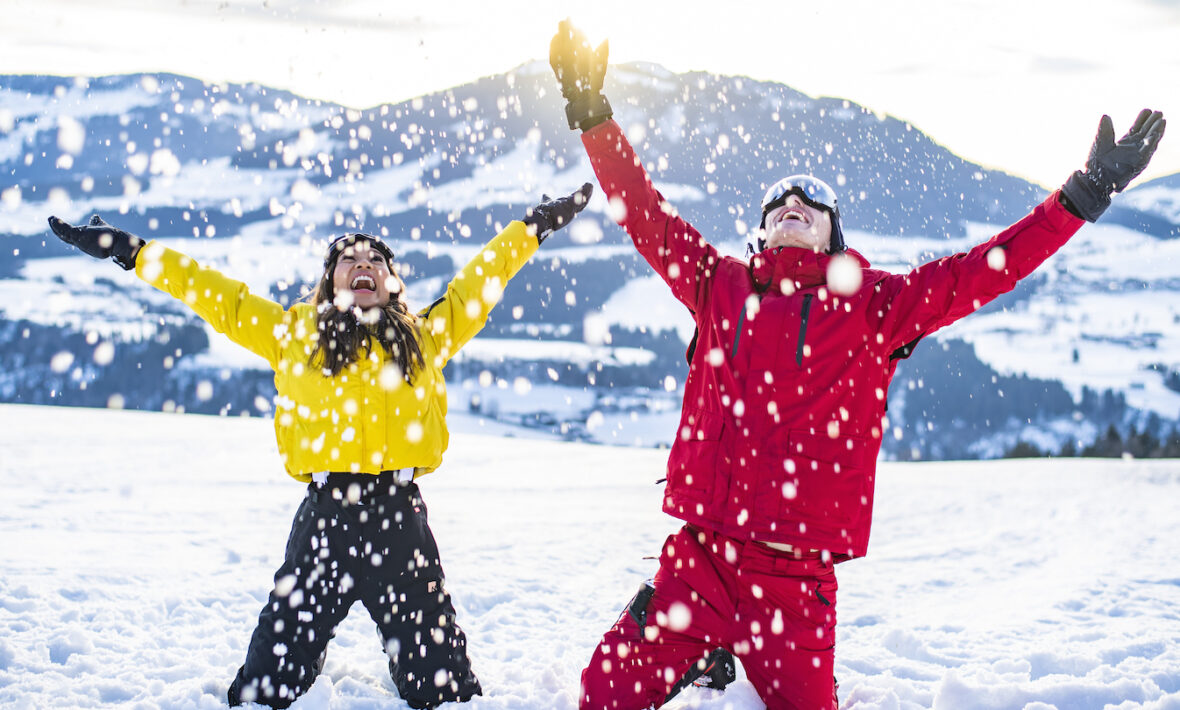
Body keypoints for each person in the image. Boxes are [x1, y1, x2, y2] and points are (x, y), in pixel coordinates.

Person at [548, 20, 1164, 710]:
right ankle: (712, 651)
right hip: (702, 564)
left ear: (833, 235)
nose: (793, 205)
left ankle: (731, 657)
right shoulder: (716, 284)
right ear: (760, 231)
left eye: (811, 204)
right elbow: (644, 213)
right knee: (602, 693)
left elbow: (988, 268)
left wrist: (1081, 196)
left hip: (795, 582)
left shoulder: (878, 307)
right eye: (780, 202)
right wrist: (592, 114)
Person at [46, 182, 593, 709]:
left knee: (443, 693)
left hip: (400, 525)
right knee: (263, 692)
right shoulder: (292, 335)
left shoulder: (426, 338)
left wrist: (533, 226)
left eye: (376, 261)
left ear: (392, 282)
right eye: (348, 260)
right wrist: (130, 251)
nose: (363, 266)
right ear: (330, 281)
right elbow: (212, 292)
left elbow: (482, 280)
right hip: (325, 524)